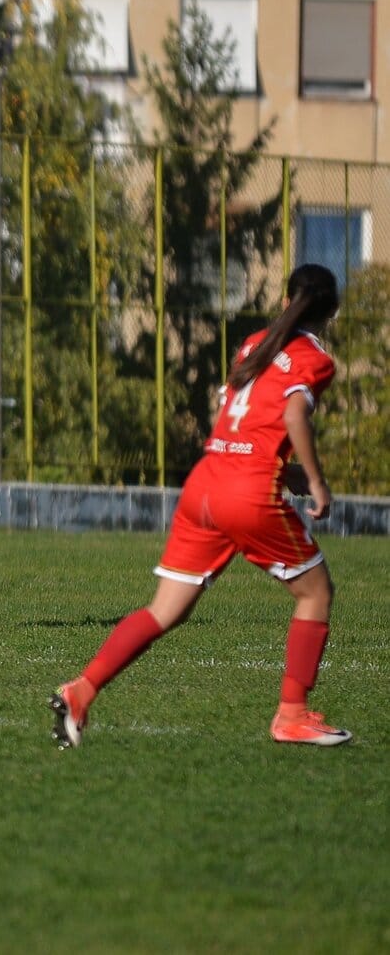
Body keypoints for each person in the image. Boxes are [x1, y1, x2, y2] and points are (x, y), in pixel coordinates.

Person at [50, 263, 351, 749]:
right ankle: (292, 714)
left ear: (284, 301)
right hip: (246, 493)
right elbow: (293, 412)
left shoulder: (256, 343)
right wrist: (315, 481)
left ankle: (82, 689)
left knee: (165, 610)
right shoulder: (315, 358)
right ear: (331, 312)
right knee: (315, 594)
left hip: (206, 482)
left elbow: (233, 411)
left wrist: (282, 467)